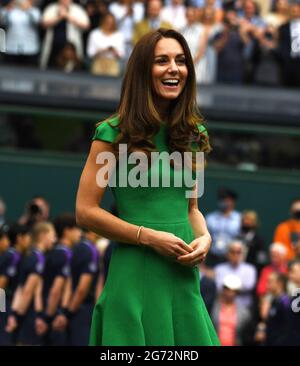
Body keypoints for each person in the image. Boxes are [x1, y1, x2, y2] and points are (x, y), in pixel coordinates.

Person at [76, 28, 219, 346]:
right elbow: (85, 213)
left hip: (182, 278)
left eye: (181, 61)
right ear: (143, 71)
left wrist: (205, 237)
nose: (174, 68)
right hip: (134, 276)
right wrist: (148, 237)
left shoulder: (194, 134)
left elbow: (191, 208)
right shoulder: (112, 134)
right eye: (162, 61)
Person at [5, 222, 56, 345]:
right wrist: (16, 316)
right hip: (27, 316)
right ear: (43, 235)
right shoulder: (38, 258)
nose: (54, 240)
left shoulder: (31, 256)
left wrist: (14, 313)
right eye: (52, 235)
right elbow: (27, 291)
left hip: (25, 314)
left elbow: (25, 289)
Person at [36, 213, 80, 346]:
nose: (79, 233)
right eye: (76, 229)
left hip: (47, 312)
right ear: (67, 231)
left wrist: (42, 315)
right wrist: (49, 317)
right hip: (55, 318)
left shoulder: (51, 253)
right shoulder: (66, 254)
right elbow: (57, 289)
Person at [0, 224, 31, 346]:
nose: (29, 239)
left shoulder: (15, 255)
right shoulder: (12, 255)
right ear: (20, 238)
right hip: (4, 303)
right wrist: (5, 312)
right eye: (27, 236)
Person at [40, 0, 90, 69]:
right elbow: (43, 24)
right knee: (51, 68)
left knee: (71, 68)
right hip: (53, 47)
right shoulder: (51, 8)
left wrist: (67, 16)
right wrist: (59, 17)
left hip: (71, 48)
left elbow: (86, 26)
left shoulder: (78, 9)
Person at [211, 274, 252, 346]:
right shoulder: (213, 307)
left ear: (237, 293)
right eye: (227, 290)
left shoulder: (244, 312)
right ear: (223, 290)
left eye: (233, 291)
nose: (230, 293)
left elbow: (245, 334)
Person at [214, 240, 257, 308]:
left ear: (243, 253)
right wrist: (237, 286)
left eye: (238, 252)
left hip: (244, 307)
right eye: (232, 252)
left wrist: (228, 286)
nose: (235, 255)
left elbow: (249, 286)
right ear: (227, 253)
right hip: (223, 307)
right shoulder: (219, 269)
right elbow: (219, 287)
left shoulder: (250, 269)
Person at [205, 187, 241, 267]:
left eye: (226, 200)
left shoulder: (239, 219)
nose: (224, 202)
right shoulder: (210, 218)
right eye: (222, 199)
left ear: (232, 202)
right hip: (213, 256)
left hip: (231, 257)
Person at [0, 0, 41, 66]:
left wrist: (28, 9)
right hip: (11, 47)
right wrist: (8, 7)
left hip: (30, 49)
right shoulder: (10, 10)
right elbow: (2, 22)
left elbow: (37, 22)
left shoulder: (34, 10)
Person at [86, 12, 125, 76]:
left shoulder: (119, 35)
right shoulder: (94, 34)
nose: (109, 25)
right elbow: (90, 53)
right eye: (107, 22)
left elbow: (122, 54)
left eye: (111, 23)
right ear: (103, 22)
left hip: (113, 63)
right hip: (98, 62)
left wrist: (114, 50)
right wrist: (102, 50)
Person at [276, 0, 300, 87]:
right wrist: (284, 56)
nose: (295, 13)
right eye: (293, 11)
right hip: (287, 62)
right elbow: (280, 44)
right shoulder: (283, 27)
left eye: (297, 10)